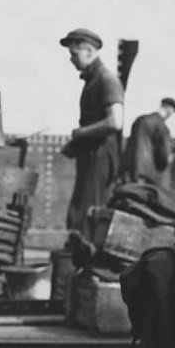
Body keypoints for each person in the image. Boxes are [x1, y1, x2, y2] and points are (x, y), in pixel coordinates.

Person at [59, 27, 124, 230]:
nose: (71, 60)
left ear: (89, 51)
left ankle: (86, 258)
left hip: (100, 156)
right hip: (92, 154)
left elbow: (115, 122)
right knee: (84, 209)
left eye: (74, 54)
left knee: (88, 212)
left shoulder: (106, 80)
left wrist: (81, 133)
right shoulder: (93, 80)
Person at [120, 96, 175, 187]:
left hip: (130, 173)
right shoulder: (162, 126)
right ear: (169, 109)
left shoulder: (140, 120)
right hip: (149, 177)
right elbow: (164, 156)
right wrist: (169, 158)